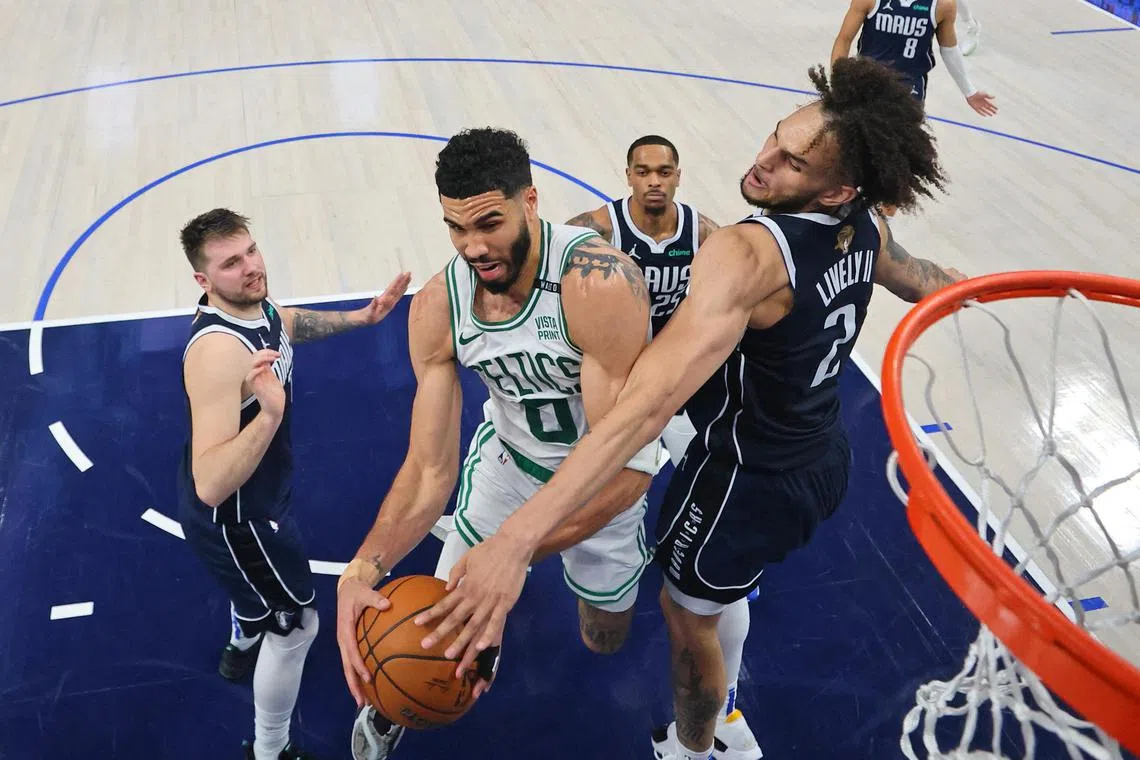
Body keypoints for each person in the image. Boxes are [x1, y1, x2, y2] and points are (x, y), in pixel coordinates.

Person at [416, 58, 968, 760]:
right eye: (773, 138)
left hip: (747, 471)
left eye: (790, 161)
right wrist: (986, 289)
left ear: (838, 187)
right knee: (719, 592)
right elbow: (923, 282)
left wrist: (518, 541)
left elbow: (642, 412)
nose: (762, 161)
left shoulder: (744, 252)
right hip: (824, 450)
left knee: (685, 609)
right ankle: (721, 704)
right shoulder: (866, 225)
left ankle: (698, 746)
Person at [334, 128, 663, 760]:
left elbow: (627, 468)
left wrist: (520, 549)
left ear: (531, 201)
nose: (473, 247)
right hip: (509, 465)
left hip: (601, 482)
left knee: (604, 635)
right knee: (440, 621)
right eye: (456, 229)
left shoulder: (596, 284)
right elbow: (430, 470)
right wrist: (364, 566)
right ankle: (404, 700)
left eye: (489, 222)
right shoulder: (438, 305)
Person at [177, 208, 410, 760]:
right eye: (231, 264)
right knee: (299, 623)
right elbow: (209, 483)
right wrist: (269, 417)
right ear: (203, 281)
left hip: (256, 495)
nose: (251, 268)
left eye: (251, 252)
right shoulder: (216, 353)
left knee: (255, 598)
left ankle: (241, 639)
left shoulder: (253, 308)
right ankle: (269, 749)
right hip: (239, 517)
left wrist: (363, 318)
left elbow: (285, 322)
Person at [566, 134, 719, 466]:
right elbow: (549, 270)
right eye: (643, 171)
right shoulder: (601, 228)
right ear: (629, 175)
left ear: (678, 176)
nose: (654, 181)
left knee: (690, 461)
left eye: (664, 172)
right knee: (601, 460)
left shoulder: (701, 231)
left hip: (668, 359)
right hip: (613, 358)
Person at [831, 0, 996, 116]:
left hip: (910, 89)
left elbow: (949, 49)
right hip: (867, 82)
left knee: (902, 150)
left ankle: (971, 24)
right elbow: (844, 40)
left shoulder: (942, 5)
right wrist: (838, 82)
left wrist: (969, 91)